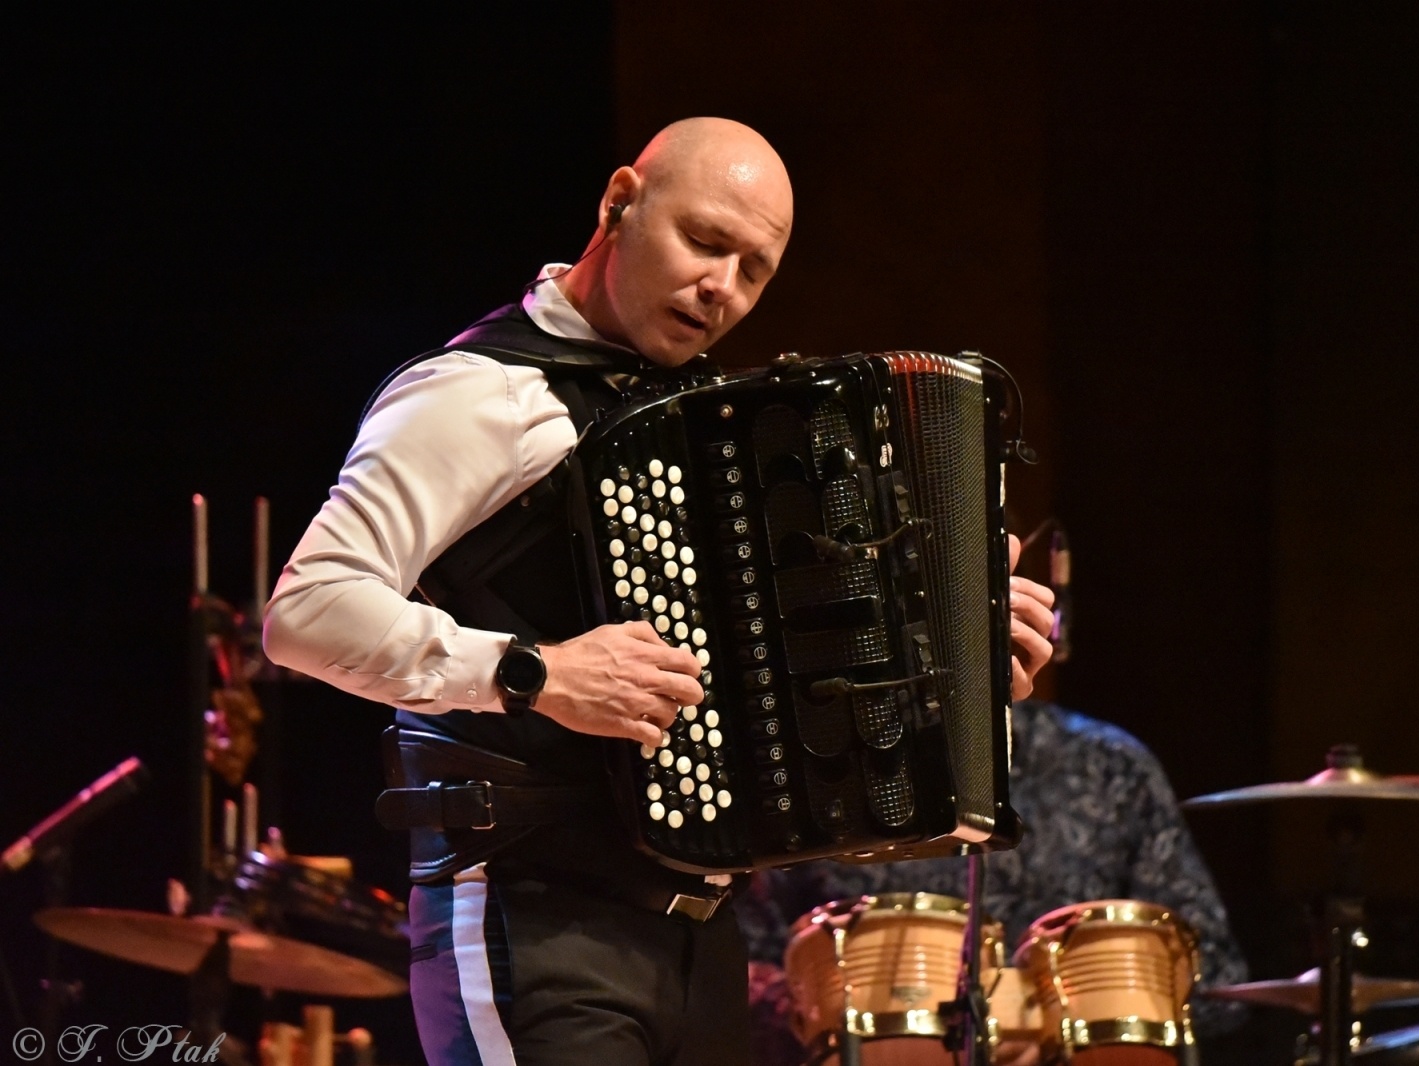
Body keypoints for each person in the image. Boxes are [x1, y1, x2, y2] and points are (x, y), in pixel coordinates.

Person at [262, 117, 1056, 1066]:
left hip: (701, 938)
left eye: (754, 270)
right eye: (704, 242)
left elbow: (787, 697)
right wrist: (533, 672)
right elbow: (305, 610)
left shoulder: (719, 428)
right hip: (531, 915)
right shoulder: (480, 393)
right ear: (618, 203)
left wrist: (953, 667)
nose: (722, 286)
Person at [738, 698, 1249, 1066]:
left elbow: (1212, 978)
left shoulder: (1110, 767)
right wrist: (834, 1005)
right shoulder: (808, 767)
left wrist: (1051, 1017)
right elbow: (736, 965)